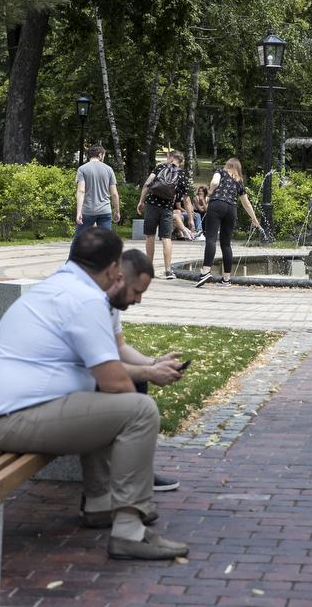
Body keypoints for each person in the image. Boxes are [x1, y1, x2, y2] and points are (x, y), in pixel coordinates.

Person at [0, 228, 189, 560]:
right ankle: (129, 533)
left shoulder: (62, 286)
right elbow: (116, 382)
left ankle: (101, 505)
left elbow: (110, 372)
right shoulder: (85, 300)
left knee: (114, 404)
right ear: (113, 268)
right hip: (12, 419)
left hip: (5, 412)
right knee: (139, 410)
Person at [109, 249, 188, 493]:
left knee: (137, 382)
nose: (139, 300)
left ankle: (137, 473)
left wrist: (153, 363)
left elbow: (120, 346)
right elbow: (99, 370)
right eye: (137, 292)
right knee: (141, 407)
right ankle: (132, 492)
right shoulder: (92, 304)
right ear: (120, 278)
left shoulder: (109, 304)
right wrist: (149, 373)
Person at [194, 158, 262, 288]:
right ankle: (226, 279)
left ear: (228, 165)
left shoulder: (220, 172)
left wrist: (211, 191)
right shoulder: (239, 181)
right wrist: (254, 218)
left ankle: (206, 271)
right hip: (232, 209)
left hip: (217, 204)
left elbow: (214, 182)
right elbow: (246, 203)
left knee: (211, 239)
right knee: (226, 244)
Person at [138, 150, 193, 279]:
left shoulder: (160, 167)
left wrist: (141, 201)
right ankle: (168, 270)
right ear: (180, 161)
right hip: (167, 208)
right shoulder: (182, 174)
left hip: (151, 205)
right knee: (166, 238)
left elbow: (147, 184)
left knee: (150, 236)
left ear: (171, 157)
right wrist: (190, 218)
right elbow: (187, 199)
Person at [75, 144, 121, 237]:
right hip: (105, 210)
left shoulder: (82, 169)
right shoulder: (109, 170)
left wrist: (79, 212)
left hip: (87, 211)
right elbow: (114, 194)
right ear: (100, 155)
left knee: (79, 240)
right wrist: (117, 211)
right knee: (105, 241)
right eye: (104, 155)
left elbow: (81, 191)